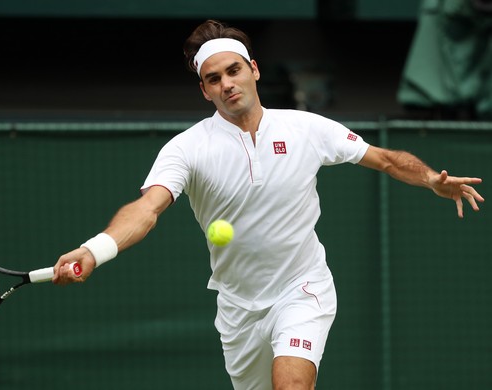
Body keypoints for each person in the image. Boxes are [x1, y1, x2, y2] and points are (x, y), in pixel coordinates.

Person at [53, 20, 484, 390]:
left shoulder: (307, 128)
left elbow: (386, 159)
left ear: (254, 70)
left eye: (234, 71)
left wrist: (431, 180)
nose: (227, 84)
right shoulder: (186, 149)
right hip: (239, 309)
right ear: (205, 91)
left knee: (291, 384)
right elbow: (147, 210)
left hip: (303, 287)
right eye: (214, 78)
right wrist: (95, 249)